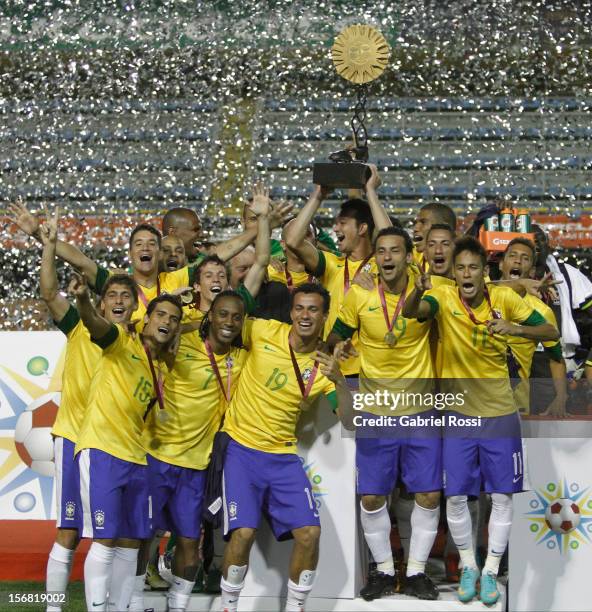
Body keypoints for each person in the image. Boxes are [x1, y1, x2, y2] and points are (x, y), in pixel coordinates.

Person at [403, 236, 558, 605]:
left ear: (484, 272)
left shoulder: (503, 299)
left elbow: (550, 331)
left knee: (501, 496)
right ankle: (469, 566)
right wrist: (416, 291)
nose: (467, 273)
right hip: (458, 415)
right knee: (457, 497)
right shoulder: (441, 297)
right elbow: (412, 313)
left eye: (473, 267)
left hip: (501, 414)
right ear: (454, 273)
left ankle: (491, 570)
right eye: (461, 268)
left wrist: (516, 329)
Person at [219, 284, 355, 612]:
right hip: (241, 449)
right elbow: (224, 324)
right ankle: (228, 607)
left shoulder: (324, 367)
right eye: (299, 309)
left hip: (282, 457)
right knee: (244, 533)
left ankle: (296, 608)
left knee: (309, 533)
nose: (304, 316)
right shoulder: (263, 330)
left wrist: (338, 379)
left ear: (324, 317)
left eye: (312, 310)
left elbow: (350, 421)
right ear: (291, 311)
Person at [329, 227, 441, 601]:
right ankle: (383, 571)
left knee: (427, 494)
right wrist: (341, 344)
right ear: (374, 256)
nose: (388, 257)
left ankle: (417, 573)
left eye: (395, 250)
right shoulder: (358, 293)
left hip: (421, 412)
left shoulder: (428, 290)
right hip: (376, 412)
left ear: (409, 255)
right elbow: (334, 337)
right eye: (381, 251)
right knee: (372, 498)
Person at [38, 207, 139, 612]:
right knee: (69, 530)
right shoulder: (78, 325)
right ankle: (52, 607)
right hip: (75, 437)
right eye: (111, 295)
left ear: (134, 305)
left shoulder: (137, 343)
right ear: (101, 301)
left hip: (115, 447)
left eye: (124, 296)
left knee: (118, 533)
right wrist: (48, 248)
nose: (117, 300)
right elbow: (49, 293)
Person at [129, 291, 248, 612]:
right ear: (209, 316)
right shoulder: (181, 344)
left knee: (189, 541)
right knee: (143, 535)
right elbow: (150, 332)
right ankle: (134, 601)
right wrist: (184, 325)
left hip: (196, 467)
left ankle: (177, 605)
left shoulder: (242, 359)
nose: (229, 323)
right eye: (222, 314)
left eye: (236, 317)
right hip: (156, 457)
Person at [71, 278, 182, 612]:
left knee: (131, 543)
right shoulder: (120, 340)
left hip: (136, 458)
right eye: (160, 315)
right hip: (102, 450)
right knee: (105, 540)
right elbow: (95, 324)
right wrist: (82, 301)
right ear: (145, 319)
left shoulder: (159, 367)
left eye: (174, 319)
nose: (167, 322)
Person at [284, 165, 391, 376]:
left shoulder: (383, 264)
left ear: (362, 228)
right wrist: (318, 195)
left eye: (342, 223)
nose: (335, 229)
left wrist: (370, 192)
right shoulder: (332, 264)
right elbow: (293, 239)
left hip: (371, 370)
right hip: (330, 367)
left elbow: (392, 237)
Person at [499, 238, 566, 416]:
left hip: (515, 407)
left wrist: (561, 396)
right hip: (471, 401)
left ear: (532, 271)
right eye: (512, 255)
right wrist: (520, 284)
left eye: (525, 258)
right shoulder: (481, 295)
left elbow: (556, 358)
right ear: (500, 264)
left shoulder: (541, 312)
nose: (517, 261)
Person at [532, 224, 592, 365]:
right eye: (530, 240)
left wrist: (589, 361)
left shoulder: (567, 273)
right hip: (522, 356)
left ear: (547, 243)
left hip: (563, 358)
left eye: (540, 239)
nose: (536, 245)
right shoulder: (509, 277)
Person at [412, 203, 457, 272]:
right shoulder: (414, 256)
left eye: (423, 222)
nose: (415, 228)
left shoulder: (467, 265)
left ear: (443, 226)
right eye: (415, 223)